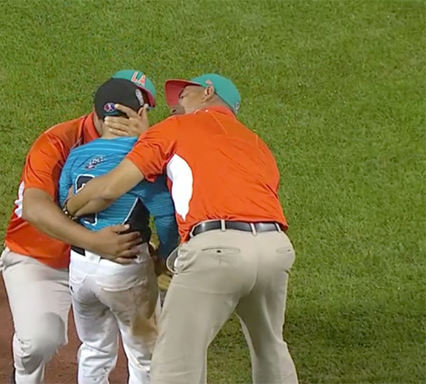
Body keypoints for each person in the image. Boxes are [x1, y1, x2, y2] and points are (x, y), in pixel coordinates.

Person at [64, 73, 299, 384]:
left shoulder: (172, 128)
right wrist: (152, 135)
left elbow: (108, 190)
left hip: (217, 251)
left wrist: (69, 208)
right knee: (270, 348)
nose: (174, 105)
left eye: (183, 95)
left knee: (174, 364)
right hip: (275, 250)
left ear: (208, 93)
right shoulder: (256, 143)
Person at [0, 70, 156, 384]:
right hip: (41, 258)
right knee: (39, 342)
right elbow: (34, 208)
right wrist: (93, 241)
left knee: (106, 346)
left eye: (138, 111)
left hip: (105, 263)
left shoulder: (147, 145)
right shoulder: (60, 140)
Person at [58, 78, 179, 384]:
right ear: (140, 115)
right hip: (126, 272)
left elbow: (65, 206)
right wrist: (164, 256)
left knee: (94, 348)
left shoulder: (76, 155)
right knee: (145, 356)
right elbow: (165, 217)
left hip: (81, 271)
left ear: (97, 117)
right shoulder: (143, 156)